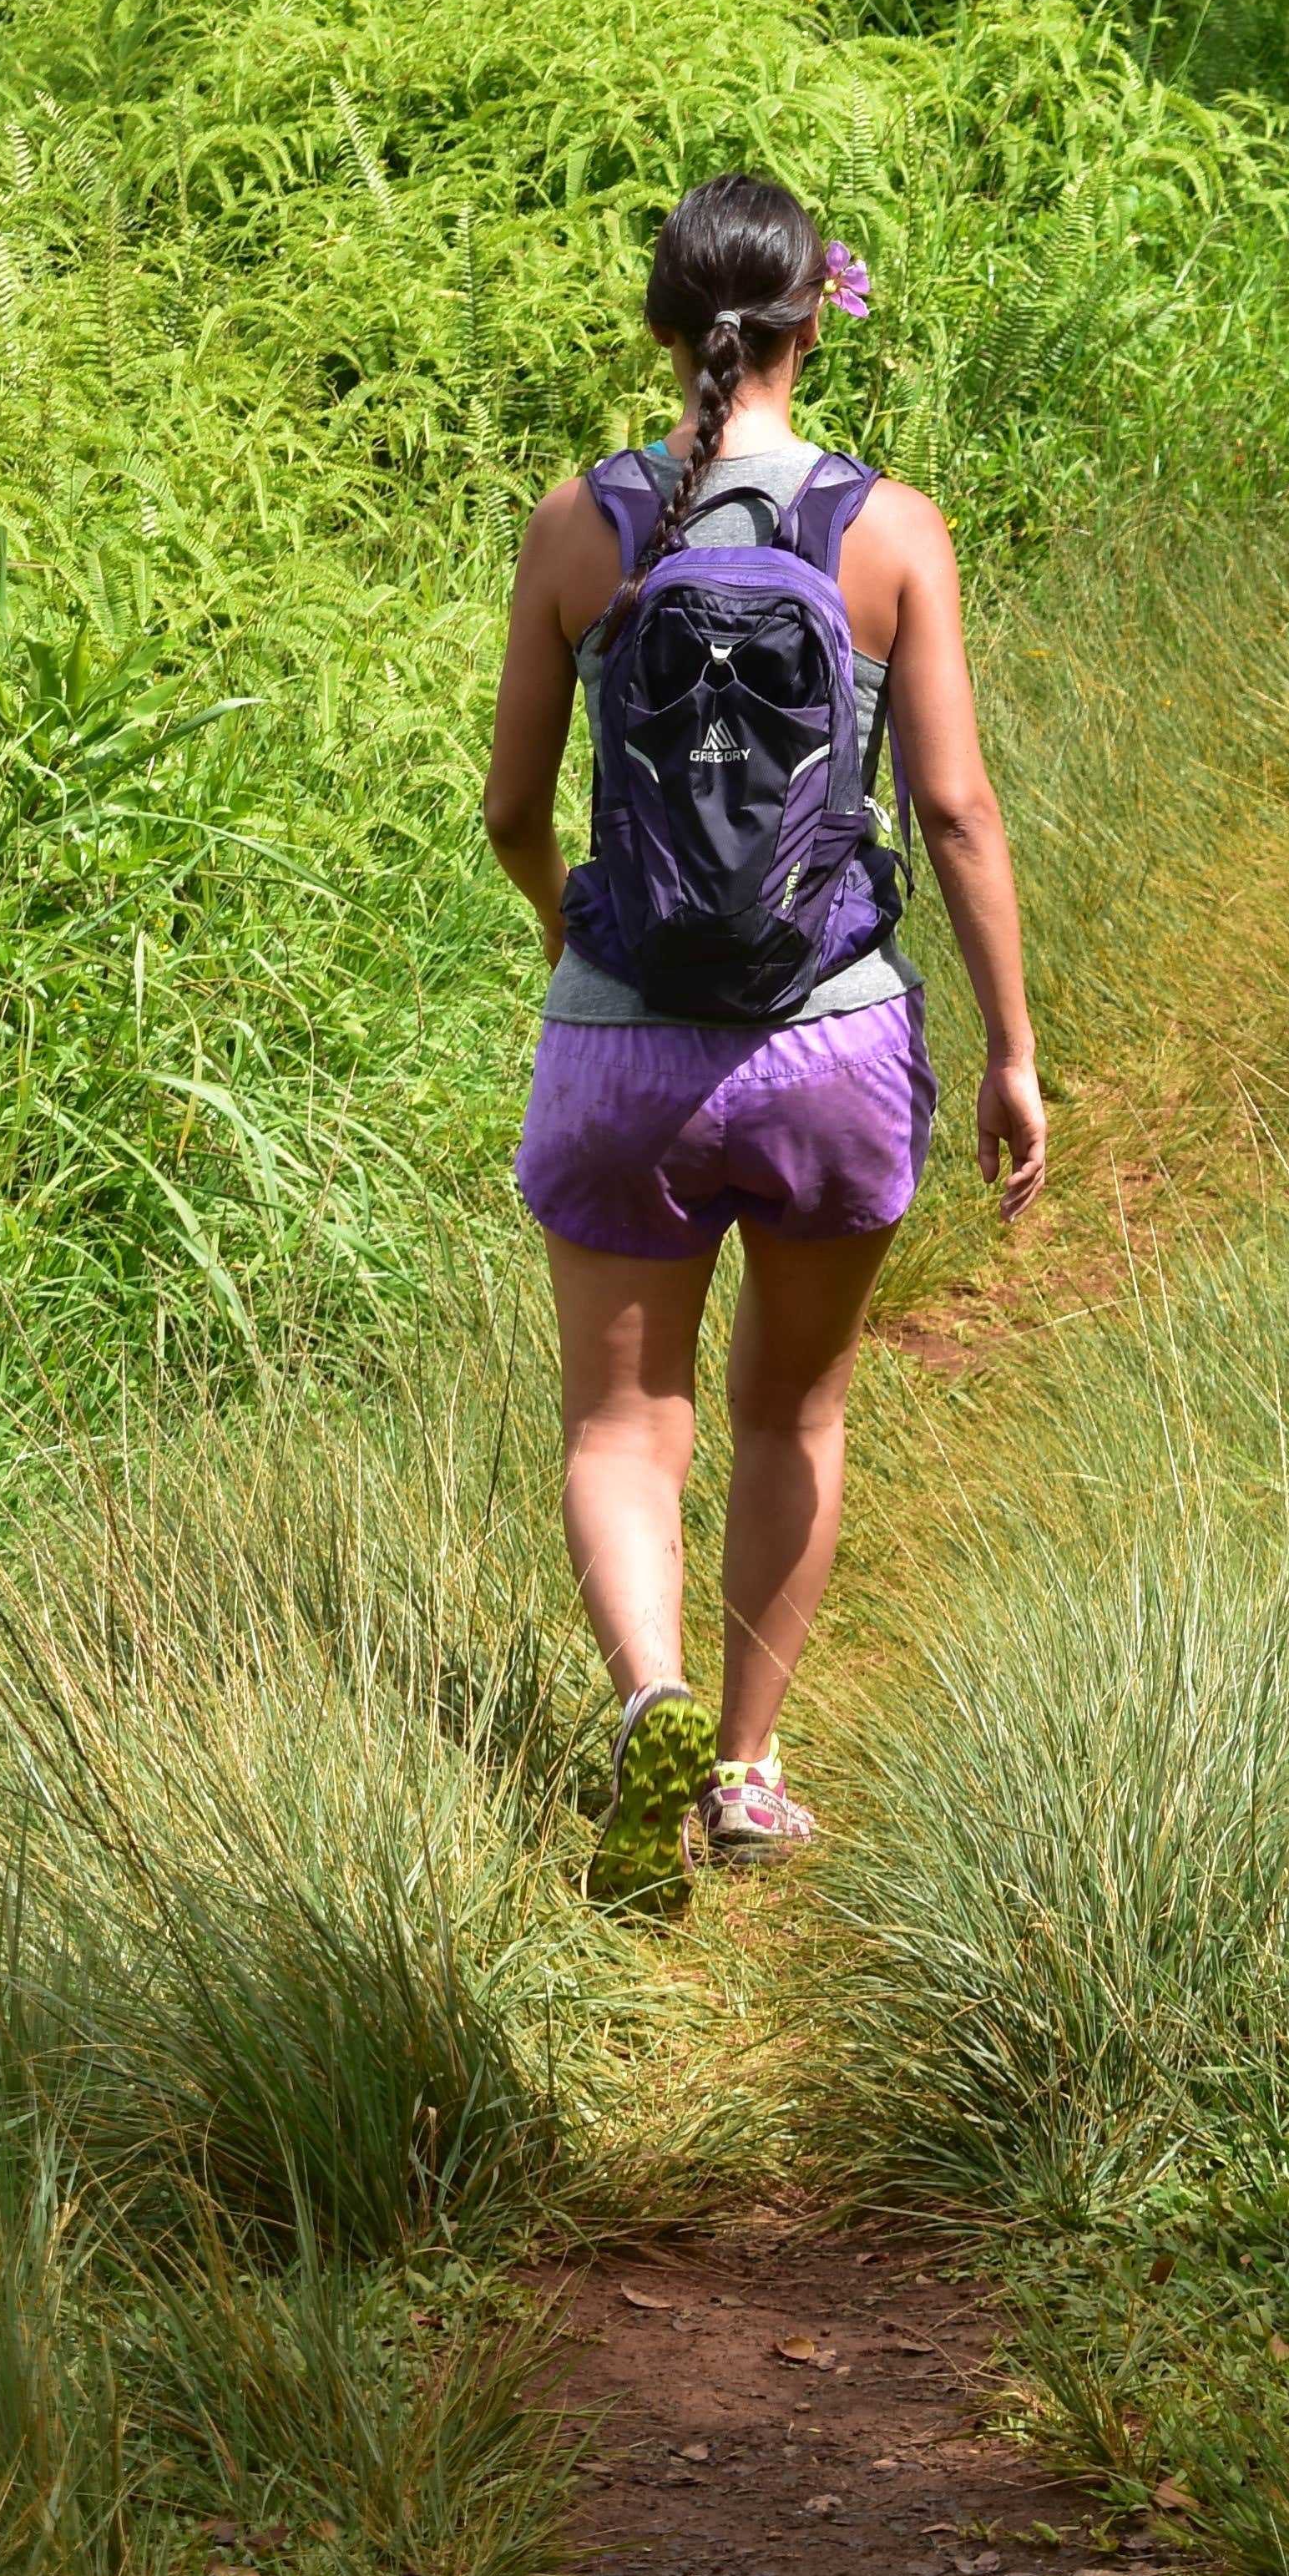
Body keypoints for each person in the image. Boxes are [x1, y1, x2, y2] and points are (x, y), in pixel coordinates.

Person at [481, 169, 1047, 1913]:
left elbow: (510, 809)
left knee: (616, 1428)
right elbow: (949, 813)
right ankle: (740, 1771)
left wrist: (587, 950)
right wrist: (1017, 1052)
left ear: (666, 328)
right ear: (821, 321)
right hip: (829, 1049)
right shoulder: (888, 533)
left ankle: (646, 1692)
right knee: (790, 1408)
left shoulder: (580, 528)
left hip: (620, 1053)